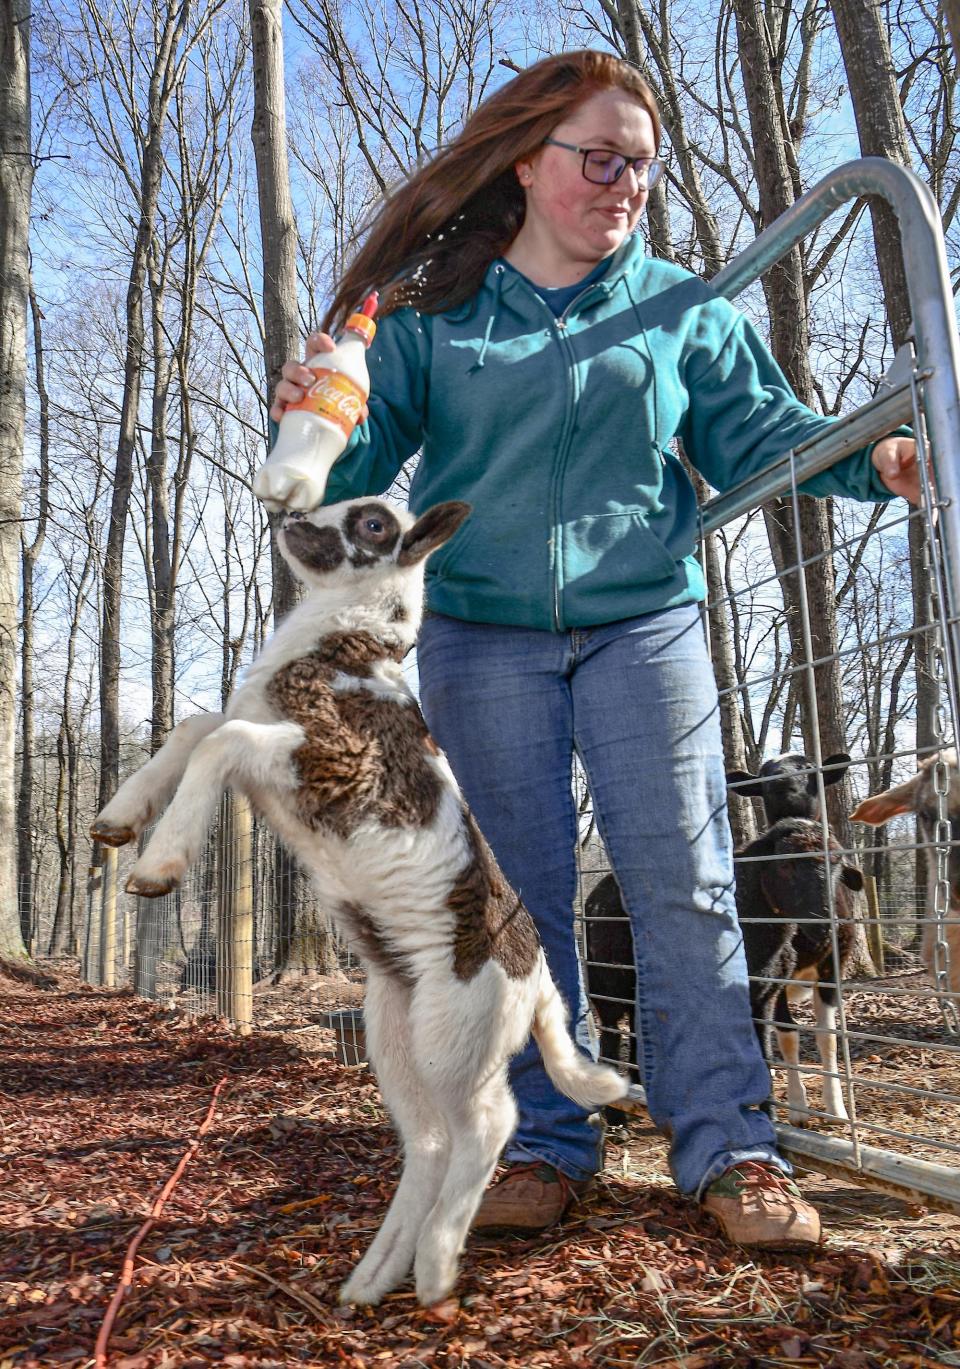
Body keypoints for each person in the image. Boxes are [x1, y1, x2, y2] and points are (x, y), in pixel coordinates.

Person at [270, 49, 919, 1249]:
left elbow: (764, 434)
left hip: (642, 621)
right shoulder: (437, 320)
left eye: (642, 165)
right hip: (482, 635)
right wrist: (319, 409)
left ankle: (733, 1147)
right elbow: (349, 483)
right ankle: (542, 1144)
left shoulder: (683, 306)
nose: (625, 182)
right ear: (529, 163)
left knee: (686, 875)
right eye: (601, 157)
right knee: (514, 903)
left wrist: (874, 459)